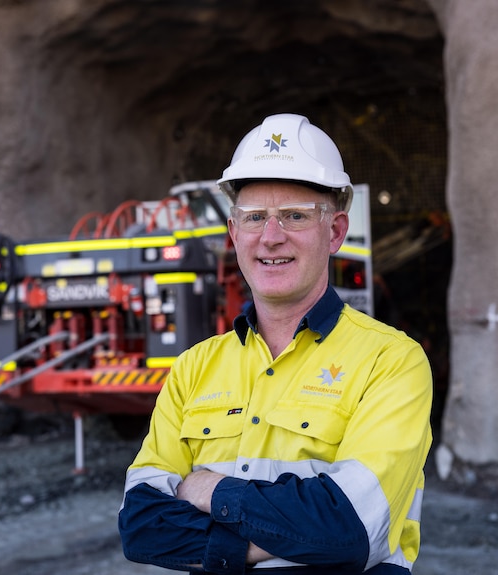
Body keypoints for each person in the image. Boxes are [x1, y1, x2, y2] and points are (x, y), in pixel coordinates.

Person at [118, 113, 433, 574]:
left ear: (336, 232)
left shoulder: (391, 362)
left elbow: (349, 531)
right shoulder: (192, 369)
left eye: (294, 216)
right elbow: (143, 527)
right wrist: (290, 535)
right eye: (254, 218)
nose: (270, 236)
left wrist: (208, 490)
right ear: (233, 234)